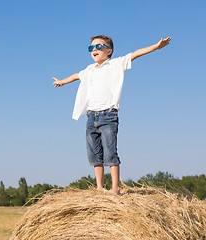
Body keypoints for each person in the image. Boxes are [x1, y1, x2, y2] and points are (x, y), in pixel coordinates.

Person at [52, 35, 171, 195]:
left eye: (99, 47)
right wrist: (62, 81)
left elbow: (136, 54)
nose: (94, 50)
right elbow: (76, 76)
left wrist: (156, 46)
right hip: (91, 117)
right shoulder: (89, 70)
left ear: (109, 51)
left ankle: (115, 187)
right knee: (94, 154)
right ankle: (99, 188)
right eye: (91, 48)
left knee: (110, 152)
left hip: (109, 115)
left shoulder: (116, 64)